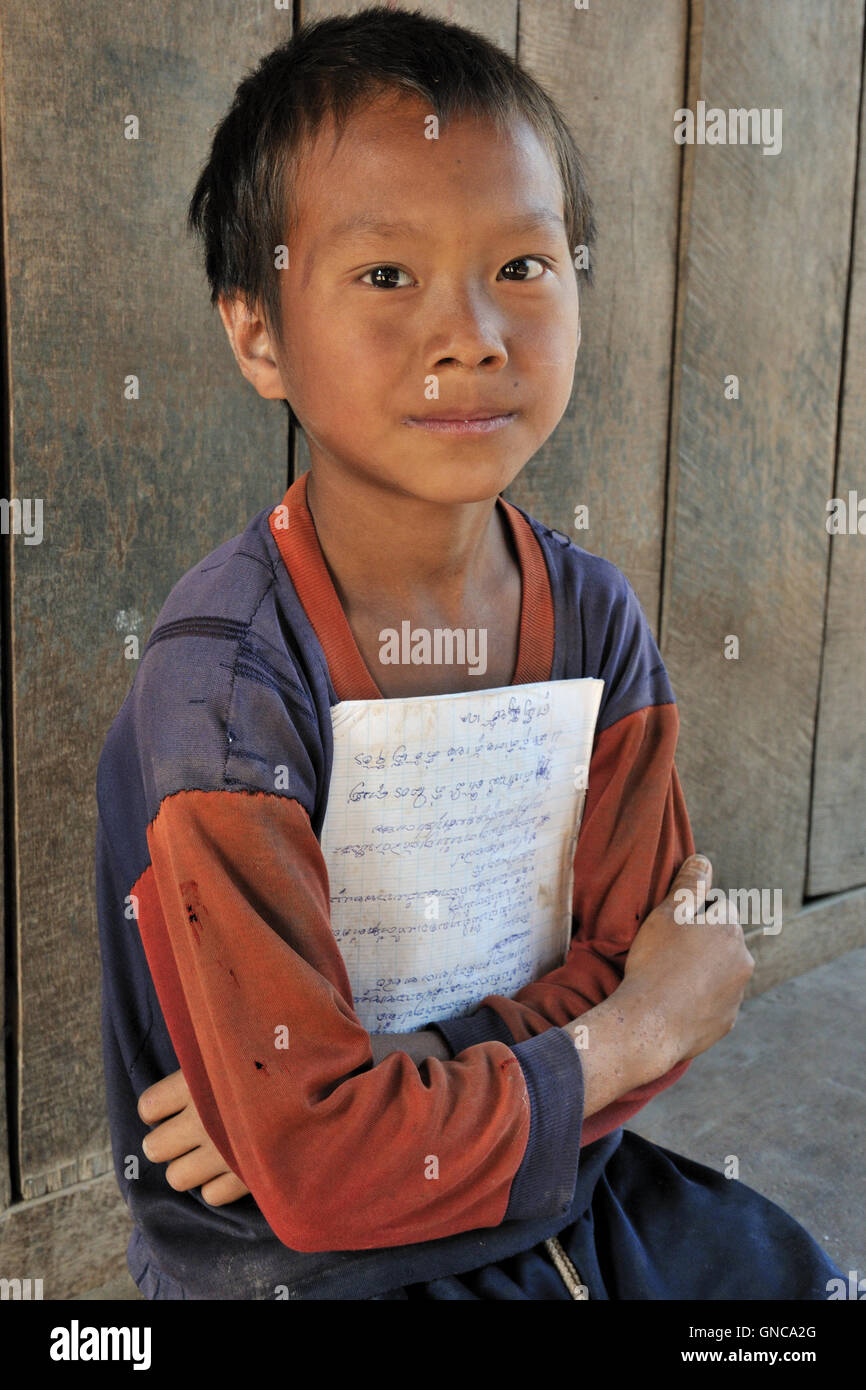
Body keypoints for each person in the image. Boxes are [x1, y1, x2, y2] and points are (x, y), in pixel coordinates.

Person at [95, 6, 842, 1300]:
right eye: (386, 277)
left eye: (523, 266)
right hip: (304, 1270)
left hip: (570, 1186)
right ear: (257, 332)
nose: (474, 334)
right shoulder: (225, 691)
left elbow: (669, 962)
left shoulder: (593, 621)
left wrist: (391, 1092)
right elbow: (320, 1176)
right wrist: (628, 1025)